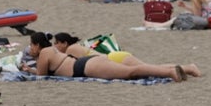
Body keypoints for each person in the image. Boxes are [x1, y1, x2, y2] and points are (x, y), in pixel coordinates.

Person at [29, 32, 199, 81]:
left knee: (131, 72)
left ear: (37, 45)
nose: (30, 48)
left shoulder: (45, 52)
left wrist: (28, 69)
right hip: (89, 63)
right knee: (135, 70)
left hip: (84, 67)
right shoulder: (54, 51)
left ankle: (171, 73)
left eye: (31, 45)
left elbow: (41, 76)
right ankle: (187, 68)